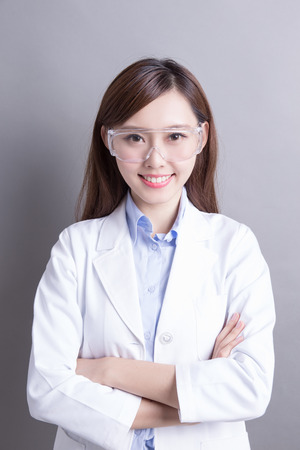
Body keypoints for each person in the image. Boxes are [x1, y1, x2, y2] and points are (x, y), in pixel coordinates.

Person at [27, 58, 275, 450]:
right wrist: (201, 391)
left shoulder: (235, 247)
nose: (155, 159)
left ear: (201, 137)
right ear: (109, 140)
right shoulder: (76, 248)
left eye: (175, 136)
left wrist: (107, 371)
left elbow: (250, 388)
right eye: (135, 138)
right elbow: (46, 390)